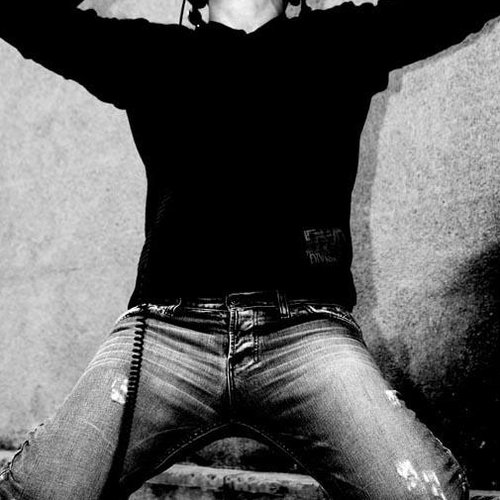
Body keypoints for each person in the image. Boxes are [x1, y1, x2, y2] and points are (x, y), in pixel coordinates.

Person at [0, 0, 499, 498]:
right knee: (42, 490)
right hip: (169, 332)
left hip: (306, 333)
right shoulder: (151, 54)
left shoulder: (339, 42)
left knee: (421, 494)